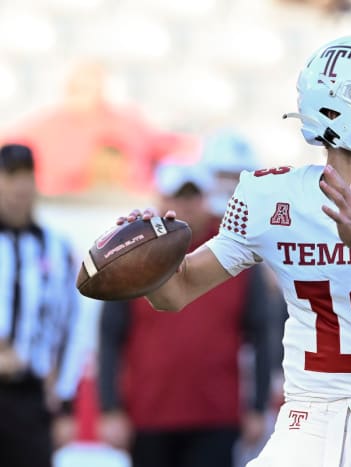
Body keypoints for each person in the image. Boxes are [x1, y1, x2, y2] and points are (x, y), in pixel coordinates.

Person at [117, 34, 351, 467]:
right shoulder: (272, 196)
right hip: (309, 424)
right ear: (334, 110)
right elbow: (176, 293)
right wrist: (146, 258)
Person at [97, 160, 273, 467]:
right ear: (161, 200)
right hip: (149, 414)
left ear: (206, 199)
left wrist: (257, 407)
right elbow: (111, 337)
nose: (185, 205)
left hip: (216, 414)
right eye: (176, 197)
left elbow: (261, 333)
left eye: (192, 196)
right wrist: (110, 408)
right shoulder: (136, 254)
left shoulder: (233, 250)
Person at [0, 143, 88, 467]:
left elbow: (72, 324)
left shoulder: (56, 247)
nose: (20, 186)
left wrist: (65, 402)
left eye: (26, 176)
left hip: (30, 397)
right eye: (11, 176)